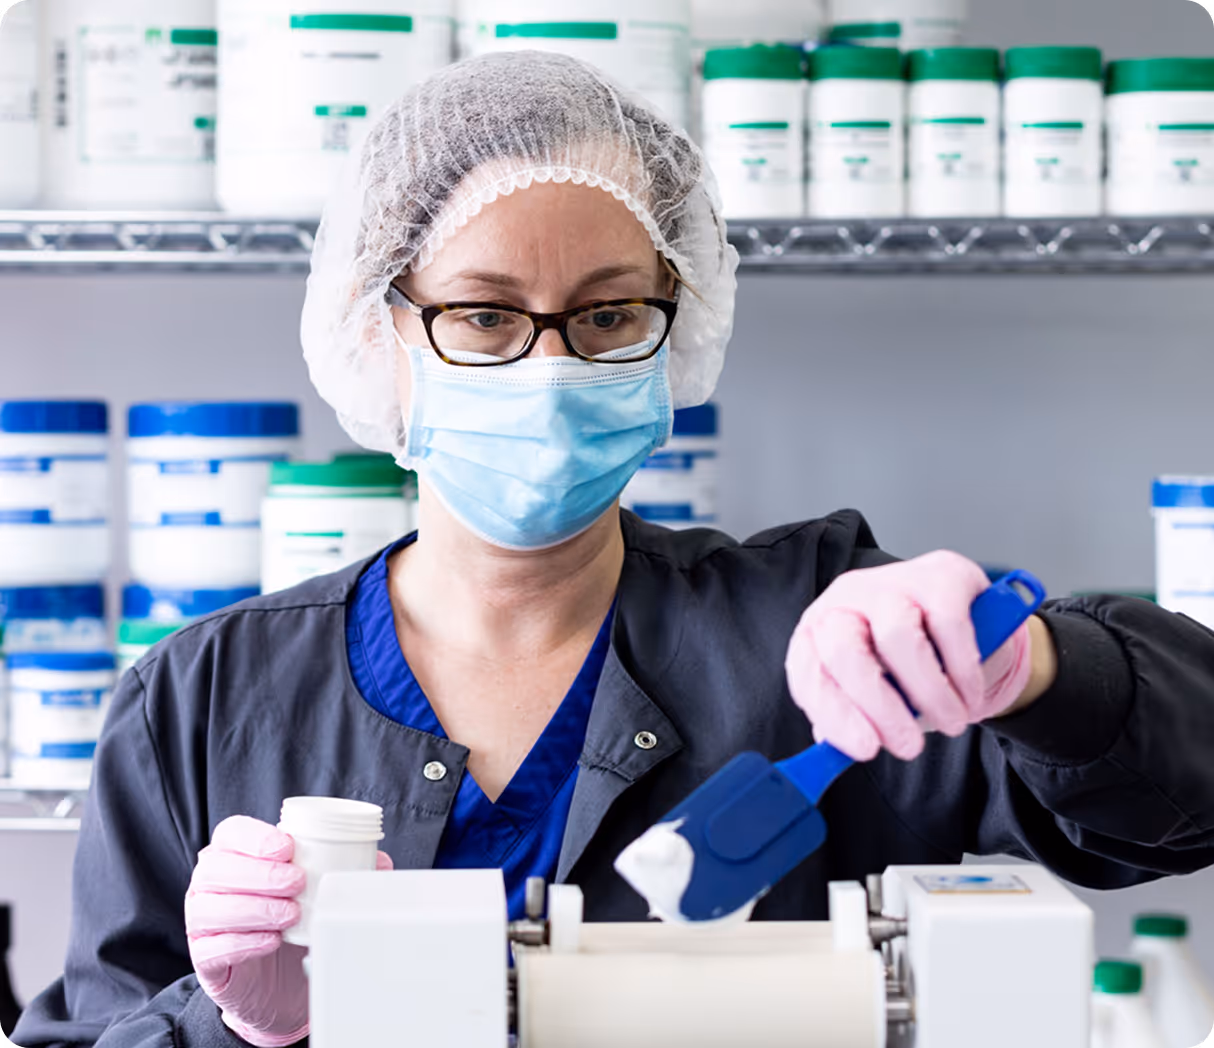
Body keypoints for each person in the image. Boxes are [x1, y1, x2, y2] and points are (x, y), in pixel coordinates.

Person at [14, 50, 1214, 1048]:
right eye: (482, 313)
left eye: (603, 314)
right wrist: (242, 1027)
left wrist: (1042, 672)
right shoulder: (201, 700)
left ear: (671, 328)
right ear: (378, 331)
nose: (548, 366)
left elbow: (1185, 795)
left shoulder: (810, 633)